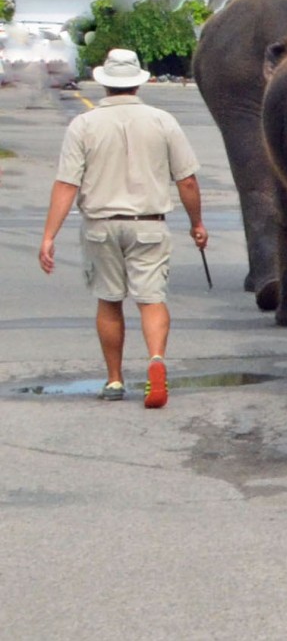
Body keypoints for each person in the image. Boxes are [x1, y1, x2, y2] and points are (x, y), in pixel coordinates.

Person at [38, 48, 208, 408]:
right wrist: (197, 224)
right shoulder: (163, 121)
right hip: (149, 225)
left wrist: (49, 235)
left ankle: (115, 380)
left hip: (101, 226)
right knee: (152, 300)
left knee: (109, 302)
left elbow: (67, 184)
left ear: (103, 84)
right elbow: (187, 181)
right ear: (140, 82)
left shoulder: (83, 125)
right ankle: (156, 361)